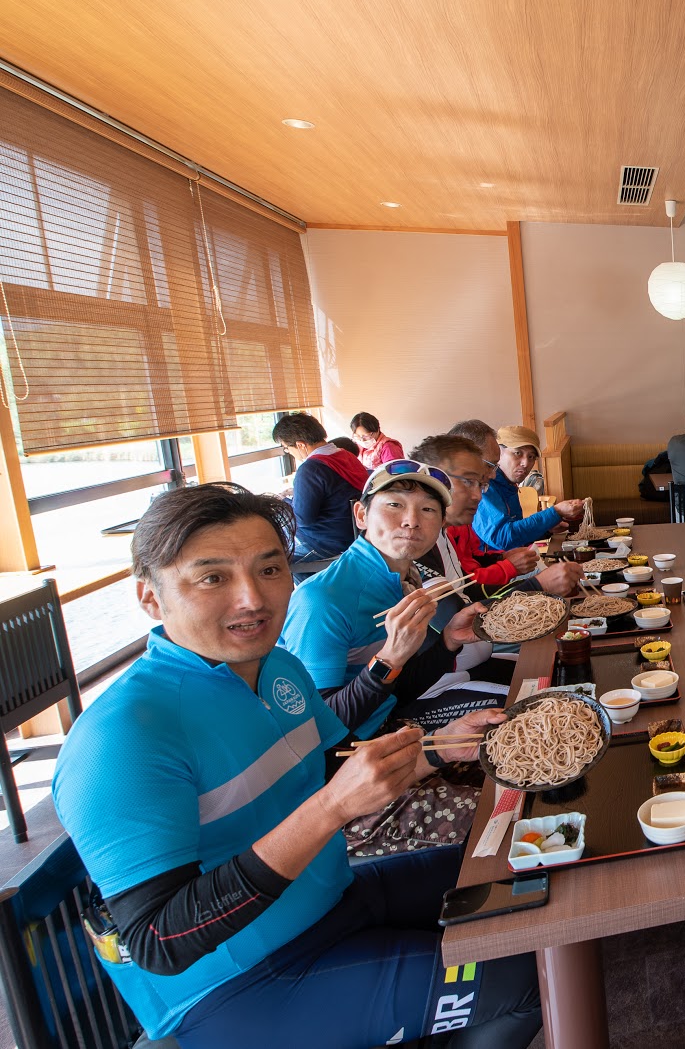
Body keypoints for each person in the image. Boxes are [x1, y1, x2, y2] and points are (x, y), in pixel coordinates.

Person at [51, 483, 540, 1048]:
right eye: (213, 578)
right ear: (151, 599)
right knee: (526, 976)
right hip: (235, 985)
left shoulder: (277, 667)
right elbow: (161, 939)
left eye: (269, 569)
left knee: (520, 873)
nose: (252, 600)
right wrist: (330, 809)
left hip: (331, 896)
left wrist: (436, 748)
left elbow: (328, 765)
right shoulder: (120, 737)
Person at [282, 461, 510, 740]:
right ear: (361, 515)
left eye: (427, 509)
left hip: (391, 714)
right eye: (394, 505)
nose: (411, 521)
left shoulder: (406, 578)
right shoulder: (319, 600)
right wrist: (388, 658)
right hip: (354, 751)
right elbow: (317, 730)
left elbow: (399, 690)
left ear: (441, 524)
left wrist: (448, 641)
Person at [412, 434, 584, 601]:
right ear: (434, 479)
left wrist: (502, 560)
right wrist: (538, 584)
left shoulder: (442, 531)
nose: (478, 496)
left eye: (480, 485)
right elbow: (453, 621)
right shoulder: (417, 543)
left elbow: (469, 591)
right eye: (468, 481)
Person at [272, 412, 367, 562]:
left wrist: (284, 501)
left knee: (280, 558)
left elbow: (303, 519)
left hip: (329, 543)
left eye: (286, 448)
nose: (288, 453)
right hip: (356, 533)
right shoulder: (346, 455)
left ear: (300, 445)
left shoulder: (311, 469)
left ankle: (311, 584)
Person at [472, 425, 584, 551]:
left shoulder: (509, 485)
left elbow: (516, 537)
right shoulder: (486, 486)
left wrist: (546, 528)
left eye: (531, 457)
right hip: (488, 568)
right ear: (498, 452)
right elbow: (502, 538)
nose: (525, 463)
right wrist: (555, 512)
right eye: (517, 453)